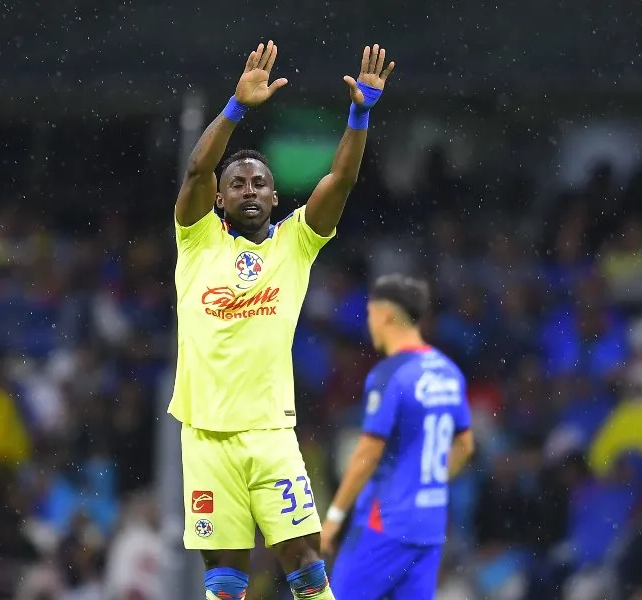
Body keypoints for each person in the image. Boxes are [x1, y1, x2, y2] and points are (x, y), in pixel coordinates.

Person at [170, 40, 395, 600]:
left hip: (271, 432)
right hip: (204, 435)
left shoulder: (295, 243)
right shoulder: (196, 241)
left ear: (275, 198)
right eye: (238, 184)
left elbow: (340, 181)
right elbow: (198, 166)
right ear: (219, 200)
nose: (250, 189)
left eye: (260, 183)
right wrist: (236, 108)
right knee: (224, 578)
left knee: (305, 564)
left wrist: (359, 113)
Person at [321, 275, 476, 600]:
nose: (369, 324)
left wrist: (334, 518)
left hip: (385, 522)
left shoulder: (390, 374)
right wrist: (427, 483)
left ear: (386, 315)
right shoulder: (448, 371)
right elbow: (465, 446)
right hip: (429, 524)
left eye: (369, 315)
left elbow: (368, 452)